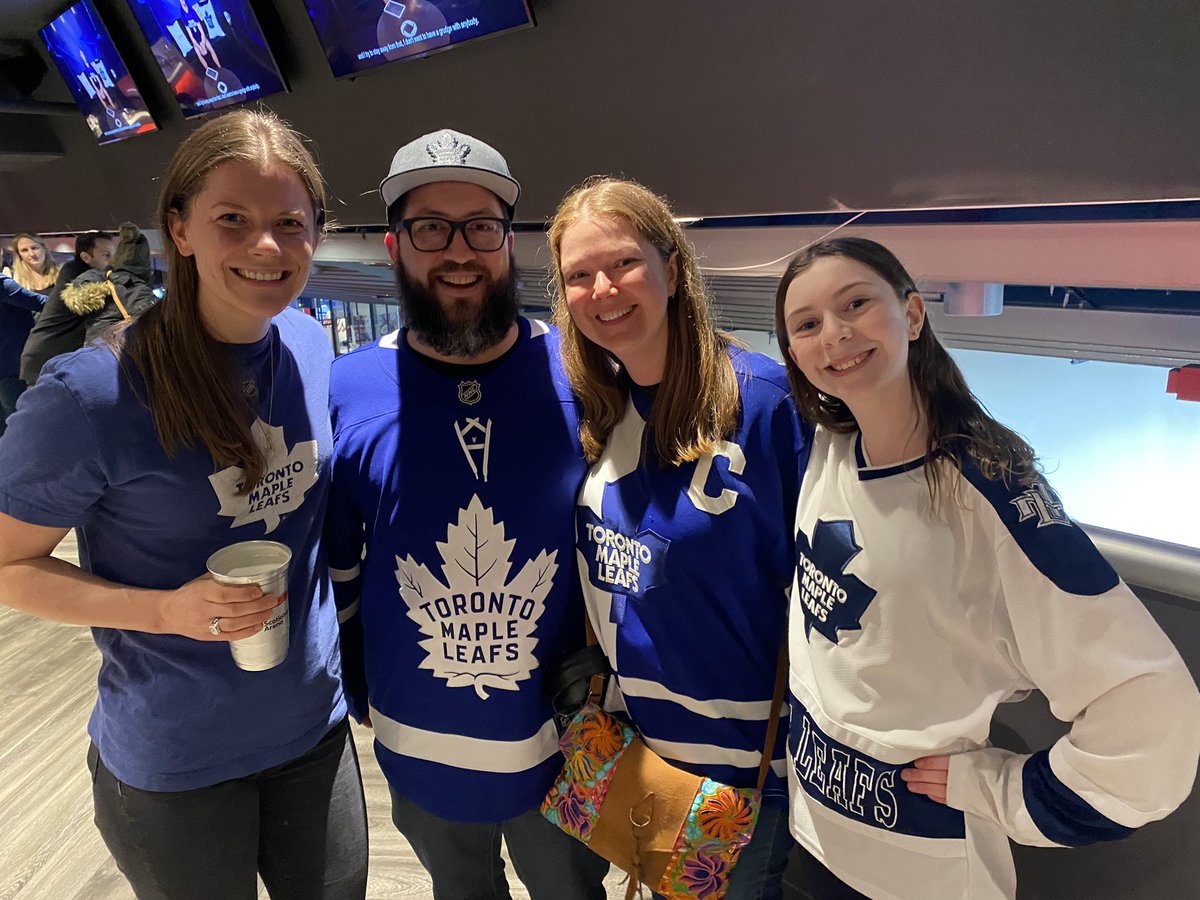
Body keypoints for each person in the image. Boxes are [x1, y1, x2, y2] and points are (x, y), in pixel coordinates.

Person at [0, 109, 368, 900]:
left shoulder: (308, 345)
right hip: (176, 761)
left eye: (290, 223)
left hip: (313, 730)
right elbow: (7, 565)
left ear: (315, 235)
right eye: (232, 218)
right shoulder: (93, 394)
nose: (266, 246)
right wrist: (163, 611)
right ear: (180, 229)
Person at [773, 237, 1200, 900]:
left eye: (855, 304)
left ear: (912, 314)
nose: (833, 334)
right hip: (814, 836)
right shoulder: (828, 449)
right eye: (806, 324)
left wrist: (1004, 789)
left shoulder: (988, 493)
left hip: (920, 867)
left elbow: (1153, 710)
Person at [325, 129, 609, 900]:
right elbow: (342, 565)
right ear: (394, 246)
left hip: (569, 735)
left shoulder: (585, 371)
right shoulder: (348, 388)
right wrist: (359, 687)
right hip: (421, 739)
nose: (459, 250)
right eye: (430, 228)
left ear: (508, 242)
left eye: (481, 226)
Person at [547, 177, 810, 900]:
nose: (603, 289)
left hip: (745, 776)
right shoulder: (603, 411)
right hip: (645, 752)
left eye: (624, 263)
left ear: (672, 266)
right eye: (579, 275)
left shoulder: (765, 405)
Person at [20, 230, 114, 385]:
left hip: (49, 357)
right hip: (46, 359)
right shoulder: (79, 277)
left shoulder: (74, 271)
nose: (112, 261)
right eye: (106, 255)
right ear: (86, 257)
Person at [62, 222, 159, 344]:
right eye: (106, 255)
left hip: (103, 346)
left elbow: (80, 294)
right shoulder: (140, 287)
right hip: (130, 346)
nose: (109, 260)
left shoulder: (104, 279)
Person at [0, 273, 45, 436]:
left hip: (7, 366)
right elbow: (43, 304)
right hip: (12, 366)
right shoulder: (2, 284)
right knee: (22, 425)